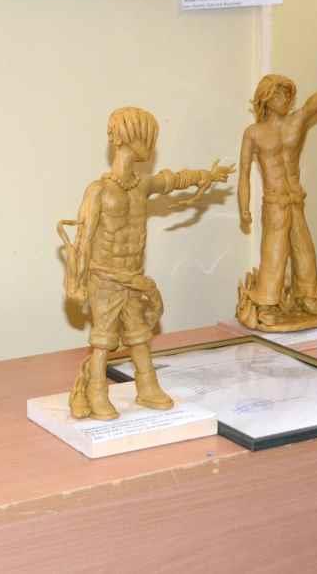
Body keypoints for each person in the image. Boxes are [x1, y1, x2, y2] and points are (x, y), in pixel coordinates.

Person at [62, 107, 232, 420]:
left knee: (139, 333)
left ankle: (147, 386)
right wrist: (75, 282)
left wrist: (206, 176)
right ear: (126, 138)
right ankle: (97, 390)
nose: (152, 145)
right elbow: (82, 241)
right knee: (103, 339)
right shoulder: (98, 191)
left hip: (134, 277)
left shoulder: (142, 185)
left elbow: (174, 180)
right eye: (148, 137)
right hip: (105, 278)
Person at [236, 43, 317, 330]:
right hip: (275, 201)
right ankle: (267, 302)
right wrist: (244, 207)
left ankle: (308, 296)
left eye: (288, 94)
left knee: (304, 248)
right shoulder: (254, 133)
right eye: (279, 94)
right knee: (274, 250)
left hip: (295, 197)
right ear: (265, 98)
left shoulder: (297, 121)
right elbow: (244, 173)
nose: (286, 98)